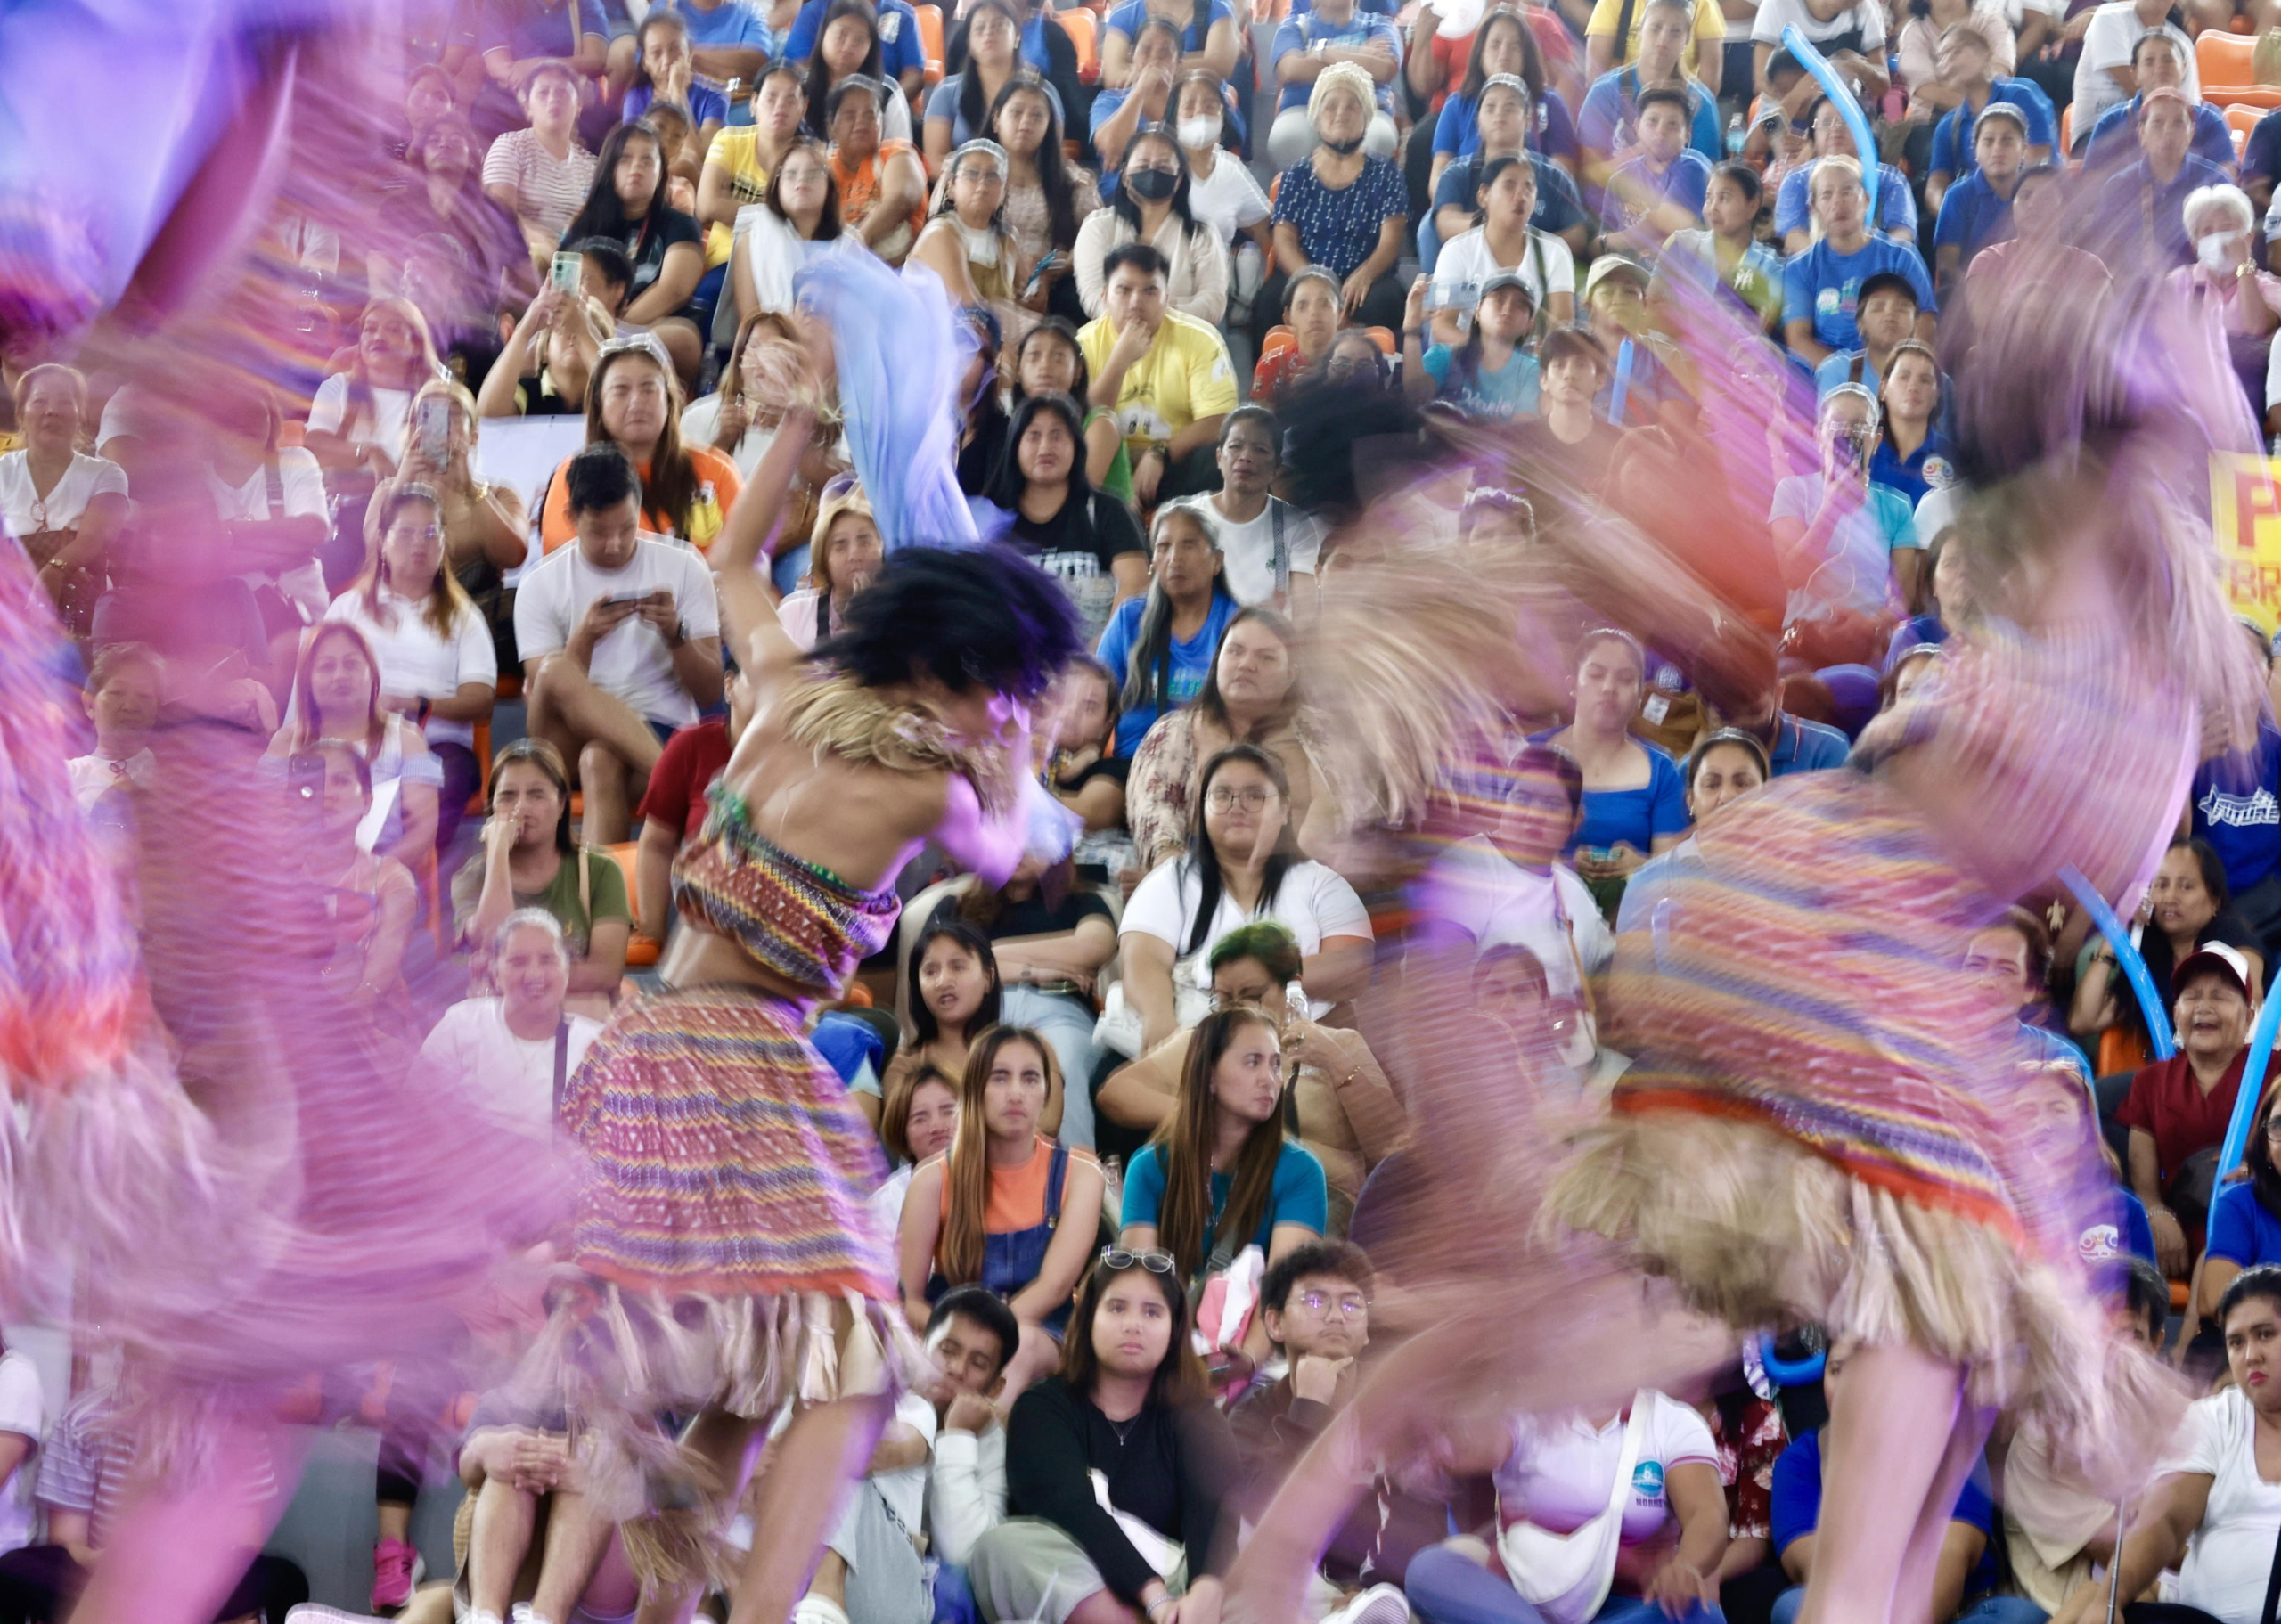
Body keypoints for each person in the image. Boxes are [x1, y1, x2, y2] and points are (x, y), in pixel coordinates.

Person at [530, 349, 1083, 1624]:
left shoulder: (783, 691)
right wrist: (1026, 721)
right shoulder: (932, 783)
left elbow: (731, 562)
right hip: (740, 1060)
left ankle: (640, 1606)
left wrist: (796, 424)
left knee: (744, 1377)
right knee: (850, 1357)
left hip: (650, 1044)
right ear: (969, 668)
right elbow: (1016, 842)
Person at [965, 1251, 1238, 1624]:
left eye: (1152, 1312)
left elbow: (1215, 1509)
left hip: (1186, 1587)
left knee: (1258, 1561)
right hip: (1088, 1582)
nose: (1133, 1324)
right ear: (1089, 1317)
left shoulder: (1196, 1415)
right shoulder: (1043, 1407)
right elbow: (1069, 1507)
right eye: (1117, 1308)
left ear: (1174, 1328)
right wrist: (1154, 1598)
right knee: (1001, 1548)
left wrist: (1206, 1590)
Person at [519, 443, 725, 844]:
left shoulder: (682, 564)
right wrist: (585, 638)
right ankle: (682, 782)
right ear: (570, 518)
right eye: (598, 532)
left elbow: (711, 689)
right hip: (562, 739)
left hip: (660, 724)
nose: (614, 544)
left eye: (627, 528)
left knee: (600, 759)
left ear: (639, 510)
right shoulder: (540, 582)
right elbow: (544, 689)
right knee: (557, 670)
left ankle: (603, 904)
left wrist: (675, 634)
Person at [2049, 1266, 2281, 1624]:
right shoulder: (2215, 1418)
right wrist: (2110, 1600)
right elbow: (2167, 1523)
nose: (2251, 1355)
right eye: (2236, 1342)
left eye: (2265, 1335)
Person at [1230, 1241, 1443, 1624]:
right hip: (1283, 1590)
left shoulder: (1392, 1408)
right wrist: (1308, 1410)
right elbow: (1255, 1519)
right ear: (1275, 1322)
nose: (1335, 1317)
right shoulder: (1250, 1417)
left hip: (1382, 1597)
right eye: (1314, 1302)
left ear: (1366, 1327)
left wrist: (1365, 1590)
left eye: (1351, 1304)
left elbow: (1422, 1521)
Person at [1119, 744, 1372, 1053]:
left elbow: (1351, 967)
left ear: (1283, 810)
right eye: (1222, 795)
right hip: (1193, 1045)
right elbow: (1142, 960)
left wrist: (1253, 977)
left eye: (1254, 796)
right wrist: (1159, 1020)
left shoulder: (1324, 885)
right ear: (1202, 807)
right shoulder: (1168, 882)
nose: (1236, 807)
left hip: (1302, 1047)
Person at [1405, 1386, 1729, 1624]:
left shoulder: (1673, 1422)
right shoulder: (1524, 1409)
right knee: (1429, 1570)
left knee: (1702, 1617)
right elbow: (1472, 1449)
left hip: (1627, 1609)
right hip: (1516, 1601)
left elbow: (1707, 1514)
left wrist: (1686, 1565)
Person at [1766, 1342, 2033, 1624]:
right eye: (1838, 1369)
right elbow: (1815, 1568)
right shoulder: (1800, 1461)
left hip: (1956, 1612)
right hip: (1854, 1611)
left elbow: (1952, 1558)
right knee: (1791, 1604)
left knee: (2018, 1616)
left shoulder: (1952, 1442)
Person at [899, 1026, 1108, 1383]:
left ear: (1045, 1094)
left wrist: (981, 1348)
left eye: (1030, 1078)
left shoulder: (1082, 1174)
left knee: (1020, 1348)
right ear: (975, 1091)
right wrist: (956, 1345)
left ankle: (965, 1432)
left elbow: (1053, 1288)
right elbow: (910, 1300)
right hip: (947, 1332)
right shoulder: (931, 1179)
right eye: (999, 1078)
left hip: (1041, 1333)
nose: (1015, 1093)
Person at [323, 483, 497, 846]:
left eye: (431, 533)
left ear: (444, 543)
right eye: (406, 533)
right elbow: (316, 679)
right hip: (357, 741)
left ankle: (397, 873)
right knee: (325, 775)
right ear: (382, 541)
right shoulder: (348, 609)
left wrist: (416, 702)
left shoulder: (464, 616)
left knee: (447, 776)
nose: (419, 543)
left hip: (437, 745)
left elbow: (481, 699)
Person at [1118, 1004, 1329, 1278]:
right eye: (1253, 1062)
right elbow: (1140, 1287)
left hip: (1258, 1319)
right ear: (1209, 1077)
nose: (1270, 1079)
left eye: (1276, 1064)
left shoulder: (1301, 1170)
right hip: (1168, 1317)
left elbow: (1281, 1299)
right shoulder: (1149, 1166)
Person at [2117, 943, 2275, 1277]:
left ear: (2248, 1015)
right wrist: (2158, 1214)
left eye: (2219, 996)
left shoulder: (2274, 1070)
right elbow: (2144, 1184)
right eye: (2192, 997)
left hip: (2263, 1217)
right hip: (2179, 1233)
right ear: (2176, 1013)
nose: (2204, 1007)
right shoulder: (2150, 1081)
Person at [454, 737, 634, 1019]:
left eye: (537, 795)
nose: (521, 807)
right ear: (491, 807)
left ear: (562, 804)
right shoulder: (473, 877)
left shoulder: (600, 871)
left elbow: (606, 972)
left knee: (592, 1007)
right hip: (502, 1020)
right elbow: (492, 938)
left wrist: (516, 983)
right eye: (508, 795)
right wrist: (498, 850)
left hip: (575, 1016)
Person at [1127, 607, 1315, 877]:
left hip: (1300, 886)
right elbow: (1157, 820)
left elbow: (1337, 820)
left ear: (1291, 675)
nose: (1246, 664)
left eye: (1266, 657)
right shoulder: (1172, 732)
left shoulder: (1318, 735)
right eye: (1235, 651)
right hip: (1193, 883)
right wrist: (1175, 880)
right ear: (1217, 660)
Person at [536, 333, 747, 553]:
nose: (636, 401)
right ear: (599, 405)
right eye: (621, 390)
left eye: (648, 389)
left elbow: (745, 558)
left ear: (669, 399)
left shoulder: (718, 470)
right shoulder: (572, 476)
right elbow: (562, 566)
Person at [266, 620, 446, 873]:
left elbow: (422, 832)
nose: (340, 675)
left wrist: (368, 874)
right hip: (298, 881)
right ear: (307, 679)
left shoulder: (407, 739)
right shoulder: (285, 743)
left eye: (351, 664)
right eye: (327, 667)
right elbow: (262, 823)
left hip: (381, 881)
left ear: (372, 672)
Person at [2074, 837, 2269, 1066]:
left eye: (2186, 886)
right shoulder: (2144, 950)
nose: (2170, 897)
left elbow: (2250, 1003)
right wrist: (2117, 930)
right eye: (2161, 885)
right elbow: (2084, 1020)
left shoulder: (2233, 939)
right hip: (2161, 1076)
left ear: (2215, 901)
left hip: (2223, 1069)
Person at [419, 908, 607, 1138]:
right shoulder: (462, 1024)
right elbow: (416, 1111)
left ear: (566, 971)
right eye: (518, 962)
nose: (534, 974)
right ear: (496, 974)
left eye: (547, 960)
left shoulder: (598, 1047)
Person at [1535, 630, 1688, 912]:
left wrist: (1641, 866)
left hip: (1632, 923)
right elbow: (1499, 855)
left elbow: (1672, 874)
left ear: (1640, 693)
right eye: (1596, 675)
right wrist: (1564, 865)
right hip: (1539, 917)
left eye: (1625, 679)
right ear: (1573, 685)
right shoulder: (1532, 754)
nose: (1609, 687)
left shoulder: (1662, 769)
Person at [1080, 245, 1239, 508]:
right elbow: (1081, 418)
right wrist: (1120, 359)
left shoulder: (1200, 339)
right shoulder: (1083, 343)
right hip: (1105, 461)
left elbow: (1218, 419)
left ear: (1167, 297)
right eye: (1124, 290)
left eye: (1150, 290)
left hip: (1173, 464)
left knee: (1223, 458)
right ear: (1105, 295)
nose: (1135, 302)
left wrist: (1160, 453)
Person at [555, 121, 710, 379]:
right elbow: (562, 284)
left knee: (682, 338)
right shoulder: (585, 223)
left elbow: (674, 290)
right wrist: (583, 325)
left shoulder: (679, 223)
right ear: (609, 168)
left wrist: (610, 330)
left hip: (646, 328)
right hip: (581, 323)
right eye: (625, 159)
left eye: (647, 161)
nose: (636, 168)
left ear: (661, 173)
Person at [1269, 65, 1412, 339]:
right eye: (1331, 106)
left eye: (1352, 107)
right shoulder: (1296, 175)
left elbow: (1391, 241)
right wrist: (1313, 283)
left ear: (1366, 116)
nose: (1341, 114)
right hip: (1307, 273)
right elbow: (1284, 239)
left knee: (1388, 301)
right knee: (1270, 299)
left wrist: (1365, 274)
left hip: (1364, 279)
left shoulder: (1386, 174)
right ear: (1316, 116)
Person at [296, 739, 422, 1041]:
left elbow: (389, 948)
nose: (327, 793)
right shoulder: (274, 872)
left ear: (367, 801)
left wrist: (360, 1003)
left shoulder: (390, 877)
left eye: (340, 781)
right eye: (315, 782)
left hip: (371, 1022)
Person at [991, 393, 1150, 628]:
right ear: (1015, 446)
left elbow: (1135, 585)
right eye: (1033, 436)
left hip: (1098, 657)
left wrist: (1100, 651)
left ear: (1077, 447)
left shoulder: (1107, 512)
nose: (1045, 447)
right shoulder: (993, 520)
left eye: (1057, 436)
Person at [1097, 504, 1240, 757]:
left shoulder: (1237, 625)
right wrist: (1087, 756)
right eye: (1164, 547)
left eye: (1189, 545)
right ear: (1152, 562)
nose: (1175, 558)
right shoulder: (1129, 618)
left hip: (1208, 765)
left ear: (1217, 561)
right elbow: (1098, 700)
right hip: (1130, 764)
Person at [1769, 384, 1919, 624]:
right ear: (1819, 435)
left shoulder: (1897, 505)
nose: (1848, 433)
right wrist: (1832, 510)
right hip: (1808, 637)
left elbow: (1904, 598)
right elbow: (1792, 576)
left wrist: (1867, 628)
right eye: (1837, 424)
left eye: (1860, 425)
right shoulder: (1792, 491)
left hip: (1871, 637)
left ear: (1877, 439)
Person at [1, 365, 127, 627]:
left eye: (64, 402)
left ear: (80, 414)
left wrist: (56, 569)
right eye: (39, 401)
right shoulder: (3, 471)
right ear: (21, 414)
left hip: (82, 614)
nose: (51, 410)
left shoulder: (106, 473)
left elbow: (94, 538)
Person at [1782, 157, 1938, 368]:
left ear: (1866, 199)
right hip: (1829, 376)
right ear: (1814, 207)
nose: (1838, 202)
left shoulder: (1901, 256)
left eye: (1847, 191)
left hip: (1894, 373)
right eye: (1827, 194)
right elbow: (1799, 340)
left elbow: (1924, 326)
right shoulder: (1800, 268)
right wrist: (1853, 376)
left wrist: (1890, 377)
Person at [1427, 75, 1590, 276]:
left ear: (1528, 120)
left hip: (1539, 273)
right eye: (1490, 107)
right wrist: (1499, 227)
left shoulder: (1555, 176)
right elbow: (1446, 224)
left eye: (1510, 107)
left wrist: (1528, 247)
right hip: (1472, 274)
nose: (1499, 114)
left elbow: (1577, 235)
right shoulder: (1457, 172)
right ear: (1477, 120)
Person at [1617, 728, 1772, 934]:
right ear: (1691, 800)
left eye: (1742, 783)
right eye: (1712, 784)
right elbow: (1630, 966)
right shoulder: (1650, 884)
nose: (1726, 796)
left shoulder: (1796, 882)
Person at [1169, 409, 1325, 608]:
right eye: (1235, 446)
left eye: (1260, 449)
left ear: (1277, 465)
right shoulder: (1185, 517)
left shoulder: (1295, 526)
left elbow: (1305, 617)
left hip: (1269, 636)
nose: (1245, 457)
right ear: (1219, 457)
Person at [922, 1286, 1024, 1588]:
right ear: (918, 1344)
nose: (956, 1369)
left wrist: (959, 1436)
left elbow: (964, 1555)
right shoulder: (882, 1405)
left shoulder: (995, 1441)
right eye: (947, 1350)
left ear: (995, 1388)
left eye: (978, 1364)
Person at [1075, 131, 1230, 327]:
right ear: (1124, 177)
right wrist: (1155, 312)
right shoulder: (1098, 227)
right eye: (1143, 166)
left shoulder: (1202, 233)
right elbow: (1094, 299)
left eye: (1163, 167)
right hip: (1115, 339)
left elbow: (1213, 303)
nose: (1153, 173)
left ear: (1179, 179)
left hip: (1186, 341)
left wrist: (1154, 316)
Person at [1429, 9, 1581, 203]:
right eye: (1495, 44)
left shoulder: (1550, 103)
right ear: (1480, 53)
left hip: (1532, 209)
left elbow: (1564, 177)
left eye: (1514, 46)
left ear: (1526, 55)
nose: (1504, 53)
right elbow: (1438, 176)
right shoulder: (1456, 105)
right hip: (1468, 211)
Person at [876, 920, 1008, 1134]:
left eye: (958, 967)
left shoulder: (1024, 1052)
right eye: (930, 972)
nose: (943, 981)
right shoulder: (906, 1067)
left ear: (988, 977)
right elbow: (907, 1137)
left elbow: (1047, 1123)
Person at [912, 138, 1045, 344]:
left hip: (994, 346)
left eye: (993, 176)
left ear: (1003, 192)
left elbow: (1027, 302)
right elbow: (972, 312)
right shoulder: (940, 234)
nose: (982, 184)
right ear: (951, 187)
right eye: (972, 174)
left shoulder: (1008, 240)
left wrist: (1035, 292)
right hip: (939, 345)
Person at [1428, 153, 1578, 336]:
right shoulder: (1456, 251)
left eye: (1529, 187)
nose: (1520, 196)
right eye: (1509, 185)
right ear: (1483, 195)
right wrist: (1487, 358)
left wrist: (1524, 363)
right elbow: (1442, 326)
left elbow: (1560, 330)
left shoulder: (1555, 252)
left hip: (1532, 362)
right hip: (1468, 357)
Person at [992, 73, 1097, 329]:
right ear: (996, 119)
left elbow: (1095, 238)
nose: (1026, 122)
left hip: (1053, 281)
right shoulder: (970, 173)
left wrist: (1053, 273)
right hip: (984, 277)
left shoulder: (1072, 181)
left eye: (1037, 116)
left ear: (1050, 125)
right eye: (1016, 112)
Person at [1575, 0, 1723, 182]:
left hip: (1675, 204)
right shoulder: (1604, 91)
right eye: (1655, 28)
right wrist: (1641, 150)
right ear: (1639, 33)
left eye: (1675, 32)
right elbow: (1587, 175)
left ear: (1686, 42)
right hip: (1611, 202)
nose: (1663, 40)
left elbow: (1706, 182)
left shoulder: (1701, 103)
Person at [1919, 23, 2055, 216]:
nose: (1948, 62)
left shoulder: (2019, 95)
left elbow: (2042, 157)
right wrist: (1948, 213)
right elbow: (1936, 183)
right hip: (1979, 218)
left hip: (2035, 209)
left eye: (1956, 51)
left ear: (1985, 54)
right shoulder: (1949, 126)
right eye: (1941, 58)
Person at [700, 61, 808, 302]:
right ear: (753, 103)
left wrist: (735, 211)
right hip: (727, 261)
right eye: (771, 97)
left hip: (785, 265)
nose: (780, 106)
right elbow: (707, 205)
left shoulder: (810, 158)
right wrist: (776, 219)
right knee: (709, 300)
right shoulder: (729, 140)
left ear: (804, 107)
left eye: (791, 99)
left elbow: (807, 223)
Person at [2088, 89, 2229, 272]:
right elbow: (2103, 255)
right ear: (2141, 133)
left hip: (2204, 291)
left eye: (2179, 123)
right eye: (2157, 123)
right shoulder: (2118, 186)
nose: (2168, 132)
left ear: (2191, 132)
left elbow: (2245, 259)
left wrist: (2245, 275)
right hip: (2135, 291)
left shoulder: (2216, 181)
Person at [480, 61, 598, 276]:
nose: (554, 98)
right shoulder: (510, 145)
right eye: (543, 92)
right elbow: (499, 214)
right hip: (524, 257)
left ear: (579, 105)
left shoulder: (592, 166)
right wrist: (545, 243)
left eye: (562, 91)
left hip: (576, 261)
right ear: (527, 107)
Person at [1508, 327, 1623, 537]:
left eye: (1580, 365)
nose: (1569, 374)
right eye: (1559, 365)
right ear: (1544, 380)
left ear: (1600, 379)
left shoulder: (1619, 446)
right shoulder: (1517, 441)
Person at [1266, 0, 1403, 172]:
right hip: (1304, 108)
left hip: (1368, 111)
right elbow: (1291, 70)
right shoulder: (1295, 25)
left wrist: (1321, 52)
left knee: (1379, 138)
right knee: (1287, 138)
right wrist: (1358, 54)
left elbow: (1383, 70)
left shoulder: (1379, 25)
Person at [928, 1, 1060, 170]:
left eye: (999, 25)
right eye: (979, 28)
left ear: (1017, 36)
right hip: (966, 190)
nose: (989, 33)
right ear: (968, 41)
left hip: (1027, 189)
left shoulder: (1044, 92)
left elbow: (1052, 158)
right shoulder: (946, 92)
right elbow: (935, 161)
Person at [1653, 162, 1783, 333]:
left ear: (1752, 206)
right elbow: (1653, 303)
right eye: (1708, 198)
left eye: (1724, 198)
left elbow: (1758, 332)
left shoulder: (1769, 266)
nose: (1712, 208)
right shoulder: (1681, 244)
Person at [1772, 102, 1919, 254]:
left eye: (1846, 120)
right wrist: (1832, 266)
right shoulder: (1796, 181)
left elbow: (1902, 235)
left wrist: (1868, 264)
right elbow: (1793, 237)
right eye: (1826, 122)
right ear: (1813, 136)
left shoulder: (1890, 179)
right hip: (1817, 272)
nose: (1836, 128)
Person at [731, 138, 844, 322]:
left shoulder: (849, 246)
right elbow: (751, 321)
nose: (801, 181)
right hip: (771, 345)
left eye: (813, 174)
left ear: (829, 186)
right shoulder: (751, 239)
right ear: (777, 187)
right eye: (790, 174)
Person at [1175, 72, 1274, 282]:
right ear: (1174, 118)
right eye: (1189, 105)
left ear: (1222, 120)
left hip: (1212, 290)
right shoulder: (1159, 164)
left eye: (1210, 105)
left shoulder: (1230, 169)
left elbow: (1267, 231)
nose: (1200, 112)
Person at [827, 75, 928, 265]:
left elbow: (901, 199)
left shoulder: (896, 154)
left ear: (881, 123)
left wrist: (857, 244)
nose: (861, 122)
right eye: (850, 115)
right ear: (831, 127)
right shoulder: (826, 170)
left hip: (902, 270)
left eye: (870, 114)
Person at [779, 477, 885, 651]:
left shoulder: (902, 619)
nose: (854, 555)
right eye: (840, 546)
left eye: (865, 541)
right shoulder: (794, 614)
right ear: (823, 558)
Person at [1932, 106, 2031, 290]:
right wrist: (1984, 296)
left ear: (2024, 148)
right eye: (1988, 141)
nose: (1997, 149)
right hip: (1972, 295)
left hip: (2030, 296)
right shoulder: (1958, 195)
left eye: (2007, 141)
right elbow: (1947, 267)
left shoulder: (2037, 192)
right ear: (1975, 151)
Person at [2071, 0, 2199, 139]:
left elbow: (2190, 107)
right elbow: (2137, 88)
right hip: (2099, 133)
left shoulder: (2182, 43)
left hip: (2165, 136)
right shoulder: (2109, 18)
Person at [67, 642, 161, 821]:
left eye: (144, 696)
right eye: (117, 693)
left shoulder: (173, 773)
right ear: (90, 704)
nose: (131, 706)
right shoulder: (67, 777)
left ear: (156, 710)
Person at [805, 0, 919, 143]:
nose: (847, 47)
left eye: (859, 40)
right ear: (823, 35)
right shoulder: (801, 89)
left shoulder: (889, 92)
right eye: (841, 35)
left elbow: (901, 154)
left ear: (870, 48)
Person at [783, 0, 928, 105]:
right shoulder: (814, 10)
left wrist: (884, 104)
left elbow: (914, 76)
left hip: (880, 105)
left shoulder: (902, 15)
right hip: (819, 103)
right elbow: (798, 66)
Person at [1091, 17, 1185, 179]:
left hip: (1178, 187)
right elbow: (1111, 147)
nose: (1154, 60)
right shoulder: (1109, 99)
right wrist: (1141, 90)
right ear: (1132, 56)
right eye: (1145, 51)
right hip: (1121, 190)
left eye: (1164, 54)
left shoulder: (1188, 102)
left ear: (1178, 63)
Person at [1811, 271, 1923, 398]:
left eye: (1902, 307)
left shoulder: (1934, 380)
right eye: (1878, 307)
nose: (1890, 315)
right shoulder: (1838, 372)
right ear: (1860, 323)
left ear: (1916, 324)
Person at [1751, 0, 1888, 101]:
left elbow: (1883, 86)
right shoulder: (1777, 5)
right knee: (1763, 133)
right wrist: (1799, 104)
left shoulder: (1865, 9)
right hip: (1783, 110)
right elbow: (1761, 84)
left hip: (1842, 115)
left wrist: (1862, 69)